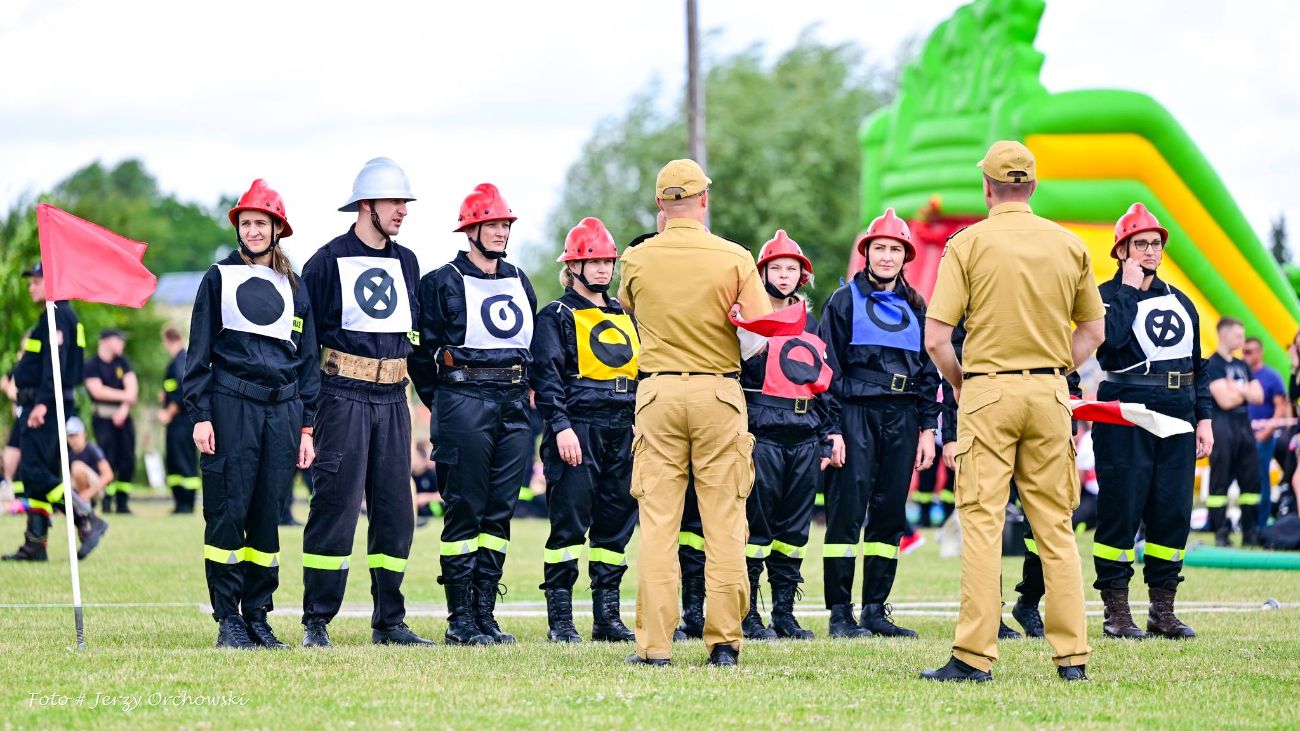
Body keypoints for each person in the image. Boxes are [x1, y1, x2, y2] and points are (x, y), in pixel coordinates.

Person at [922, 141, 1104, 682]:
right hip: (1050, 396)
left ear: (987, 187)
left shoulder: (967, 243)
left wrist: (964, 386)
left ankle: (974, 657)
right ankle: (1071, 658)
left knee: (981, 523)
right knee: (1056, 527)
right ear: (1032, 187)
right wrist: (1053, 369)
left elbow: (936, 339)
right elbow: (1093, 330)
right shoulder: (1069, 245)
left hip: (987, 392)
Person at [619, 158, 772, 667]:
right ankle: (724, 643)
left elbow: (633, 313)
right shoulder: (734, 257)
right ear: (704, 200)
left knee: (659, 524)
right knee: (724, 522)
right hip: (719, 394)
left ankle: (655, 647)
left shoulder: (637, 259)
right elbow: (757, 339)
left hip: (659, 393)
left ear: (661, 206)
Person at [300, 158, 431, 647]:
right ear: (365, 205)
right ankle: (317, 620)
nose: (402, 211)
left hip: (394, 399)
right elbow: (303, 340)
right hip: (342, 398)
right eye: (394, 202)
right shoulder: (326, 260)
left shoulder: (409, 262)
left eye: (404, 203)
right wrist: (305, 417)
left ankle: (389, 621)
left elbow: (415, 339)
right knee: (335, 507)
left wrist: (432, 399)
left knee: (397, 512)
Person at [185, 179, 319, 649]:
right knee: (227, 513)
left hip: (283, 412)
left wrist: (307, 426)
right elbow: (197, 354)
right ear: (238, 228)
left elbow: (307, 360)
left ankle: (258, 616)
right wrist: (201, 415)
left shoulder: (294, 286)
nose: (254, 231)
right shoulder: (217, 279)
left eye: (262, 223)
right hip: (230, 406)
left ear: (277, 229)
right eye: (247, 223)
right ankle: (229, 621)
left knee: (267, 516)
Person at [410, 183, 537, 646]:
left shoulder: (521, 279)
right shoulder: (439, 281)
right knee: (465, 509)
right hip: (462, 400)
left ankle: (486, 612)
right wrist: (442, 401)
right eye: (493, 224)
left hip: (514, 404)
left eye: (505, 224)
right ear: (471, 229)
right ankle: (459, 618)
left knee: (501, 511)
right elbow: (419, 354)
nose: (501, 232)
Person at [1090, 202, 1214, 640]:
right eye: (1139, 244)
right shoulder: (1103, 297)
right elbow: (1111, 344)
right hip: (1127, 408)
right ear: (1121, 250)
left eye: (1154, 244)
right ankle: (1116, 611)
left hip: (1179, 411)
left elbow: (1199, 366)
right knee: (1121, 508)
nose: (1149, 251)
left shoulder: (1182, 302)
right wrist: (1126, 290)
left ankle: (1163, 610)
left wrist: (1205, 419)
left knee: (1172, 512)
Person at [820, 210, 939, 639]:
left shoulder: (917, 305)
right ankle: (839, 614)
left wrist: (929, 428)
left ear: (905, 256)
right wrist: (831, 430)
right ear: (866, 252)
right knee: (846, 513)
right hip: (855, 413)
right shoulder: (843, 301)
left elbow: (929, 371)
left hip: (903, 417)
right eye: (880, 248)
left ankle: (874, 611)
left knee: (889, 515)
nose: (886, 257)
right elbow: (827, 368)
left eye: (895, 250)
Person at [530, 217, 640, 643]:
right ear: (572, 266)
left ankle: (607, 618)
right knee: (569, 526)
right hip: (578, 428)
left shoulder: (625, 315)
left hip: (623, 429)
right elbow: (548, 378)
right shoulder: (556, 315)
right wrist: (560, 427)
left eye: (606, 261)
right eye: (591, 260)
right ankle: (560, 620)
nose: (601, 269)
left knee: (615, 526)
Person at [740, 230, 841, 641]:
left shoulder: (812, 322)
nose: (784, 275)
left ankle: (784, 613)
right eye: (776, 268)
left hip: (803, 435)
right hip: (763, 432)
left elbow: (824, 385)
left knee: (795, 529)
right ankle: (747, 614)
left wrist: (828, 434)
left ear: (803, 274)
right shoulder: (749, 321)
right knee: (756, 527)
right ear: (763, 272)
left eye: (791, 268)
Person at [4, 262, 85, 562]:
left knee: (34, 472)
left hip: (45, 405)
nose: (31, 286)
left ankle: (84, 516)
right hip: (46, 402)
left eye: (37, 280)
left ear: (51, 283)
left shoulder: (57, 314)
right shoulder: (58, 314)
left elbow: (55, 365)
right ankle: (35, 543)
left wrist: (41, 403)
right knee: (38, 474)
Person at [1206, 318, 1265, 545]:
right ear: (1224, 334)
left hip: (1244, 426)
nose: (1242, 340)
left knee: (1251, 480)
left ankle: (1250, 533)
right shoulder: (1212, 364)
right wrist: (1245, 390)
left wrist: (1236, 388)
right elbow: (1226, 400)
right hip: (1222, 427)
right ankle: (1221, 533)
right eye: (1238, 335)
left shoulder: (1243, 365)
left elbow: (1259, 396)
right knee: (1220, 481)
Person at [84, 329, 137, 513]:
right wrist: (125, 396)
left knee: (127, 459)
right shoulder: (92, 365)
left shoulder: (123, 363)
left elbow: (133, 390)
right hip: (103, 418)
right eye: (119, 340)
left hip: (124, 416)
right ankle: (106, 501)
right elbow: (97, 391)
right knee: (107, 459)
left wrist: (123, 408)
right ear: (106, 341)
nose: (122, 344)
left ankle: (122, 504)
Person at [1243, 337, 1288, 530]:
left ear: (1260, 352)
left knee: (1261, 479)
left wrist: (1267, 431)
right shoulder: (1240, 374)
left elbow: (1281, 407)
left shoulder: (1271, 376)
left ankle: (1261, 523)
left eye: (1250, 351)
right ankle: (1246, 523)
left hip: (1263, 438)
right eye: (1244, 351)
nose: (1246, 355)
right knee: (1244, 480)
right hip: (1242, 436)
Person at [158, 325, 199, 513]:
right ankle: (179, 503)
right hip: (179, 423)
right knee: (175, 461)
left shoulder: (180, 360)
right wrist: (164, 397)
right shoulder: (179, 360)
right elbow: (173, 389)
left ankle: (186, 503)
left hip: (181, 422)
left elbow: (182, 390)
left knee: (183, 460)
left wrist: (169, 411)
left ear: (166, 340)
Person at [64, 416, 110, 558]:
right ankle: (87, 529)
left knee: (77, 467)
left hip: (95, 491)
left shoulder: (92, 450)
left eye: (75, 435)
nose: (73, 439)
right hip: (80, 495)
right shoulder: (69, 455)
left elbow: (108, 475)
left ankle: (89, 517)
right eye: (69, 436)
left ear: (84, 434)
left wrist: (88, 493)